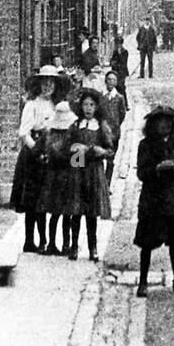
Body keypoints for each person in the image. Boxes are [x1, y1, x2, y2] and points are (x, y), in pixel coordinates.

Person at [134, 106, 174, 298]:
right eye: (162, 122)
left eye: (170, 123)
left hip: (172, 197)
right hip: (153, 198)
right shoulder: (145, 145)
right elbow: (141, 173)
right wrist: (158, 168)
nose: (166, 126)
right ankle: (143, 282)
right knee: (148, 242)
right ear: (153, 125)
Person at [12, 64, 69, 253]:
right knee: (31, 200)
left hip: (51, 154)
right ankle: (30, 240)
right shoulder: (32, 105)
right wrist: (37, 151)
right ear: (38, 85)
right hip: (33, 155)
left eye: (51, 83)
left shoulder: (57, 105)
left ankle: (46, 240)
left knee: (45, 199)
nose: (47, 87)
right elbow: (24, 133)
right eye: (44, 83)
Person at [67, 87, 114, 261]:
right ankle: (73, 247)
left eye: (91, 105)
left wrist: (100, 151)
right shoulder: (75, 125)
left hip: (94, 171)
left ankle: (93, 248)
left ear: (96, 107)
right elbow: (68, 149)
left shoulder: (100, 126)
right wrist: (75, 150)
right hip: (78, 170)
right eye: (85, 104)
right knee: (76, 211)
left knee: (91, 212)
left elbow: (110, 151)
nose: (88, 108)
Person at [36, 100, 79, 255]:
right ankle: (56, 244)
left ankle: (60, 244)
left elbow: (77, 156)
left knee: (62, 213)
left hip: (62, 175)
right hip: (55, 175)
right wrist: (42, 157)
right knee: (57, 212)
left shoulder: (71, 134)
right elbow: (38, 151)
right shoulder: (49, 133)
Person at [102, 71, 128, 184]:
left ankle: (107, 183)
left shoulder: (119, 98)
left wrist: (115, 124)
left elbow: (122, 114)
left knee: (110, 159)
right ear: (105, 81)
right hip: (102, 132)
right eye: (109, 79)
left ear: (116, 83)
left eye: (113, 80)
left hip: (114, 133)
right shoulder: (101, 97)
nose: (111, 82)